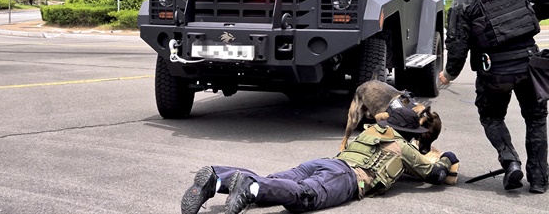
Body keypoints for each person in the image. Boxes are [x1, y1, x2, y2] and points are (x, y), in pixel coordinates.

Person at [180, 107, 459, 214]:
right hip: (346, 177)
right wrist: (447, 159)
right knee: (306, 196)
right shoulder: (404, 148)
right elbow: (433, 174)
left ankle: (217, 178)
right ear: (410, 133)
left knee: (277, 181)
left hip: (324, 162)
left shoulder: (372, 130)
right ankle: (251, 188)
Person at [440, 0, 549, 193]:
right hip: (530, 65)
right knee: (535, 118)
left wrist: (449, 74)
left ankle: (511, 163)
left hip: (495, 71)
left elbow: (457, 45)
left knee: (491, 116)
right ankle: (540, 179)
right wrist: (530, 15)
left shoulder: (464, 0)